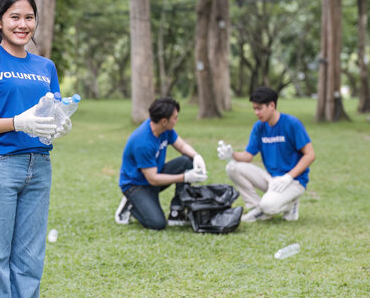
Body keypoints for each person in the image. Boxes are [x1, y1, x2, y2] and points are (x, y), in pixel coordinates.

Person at [0, 0, 71, 298]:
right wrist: (16, 123)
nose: (22, 24)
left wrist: (62, 122)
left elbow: (52, 112)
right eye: (14, 17)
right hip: (0, 166)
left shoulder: (45, 66)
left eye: (29, 17)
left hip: (39, 167)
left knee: (29, 260)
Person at [217, 86, 315, 222]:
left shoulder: (291, 123)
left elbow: (310, 155)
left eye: (259, 108)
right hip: (272, 179)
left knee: (269, 206)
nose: (256, 112)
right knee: (232, 167)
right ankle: (256, 208)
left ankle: (287, 204)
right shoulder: (259, 127)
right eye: (254, 109)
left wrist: (288, 177)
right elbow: (247, 157)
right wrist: (231, 153)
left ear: (272, 105)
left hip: (294, 181)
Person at [115, 97, 208, 230]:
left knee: (187, 161)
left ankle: (177, 210)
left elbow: (181, 145)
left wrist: (196, 156)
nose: (177, 120)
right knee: (157, 224)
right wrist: (185, 177)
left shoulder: (165, 129)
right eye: (175, 117)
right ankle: (132, 205)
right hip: (136, 185)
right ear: (164, 121)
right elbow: (152, 179)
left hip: (154, 175)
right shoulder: (142, 142)